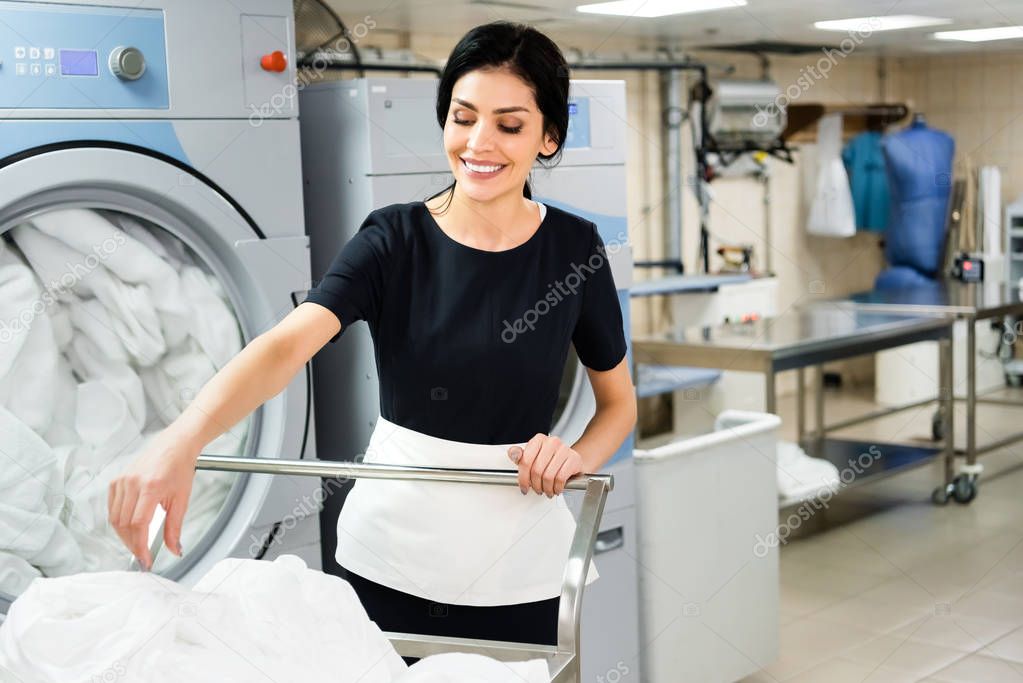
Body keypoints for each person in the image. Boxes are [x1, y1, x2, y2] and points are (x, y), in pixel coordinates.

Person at [109, 20, 636, 647]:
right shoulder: (394, 239)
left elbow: (617, 404)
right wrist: (181, 439)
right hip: (388, 555)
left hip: (520, 561)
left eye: (509, 124)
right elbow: (285, 345)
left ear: (548, 136)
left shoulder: (574, 248)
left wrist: (576, 456)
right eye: (462, 117)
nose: (479, 142)